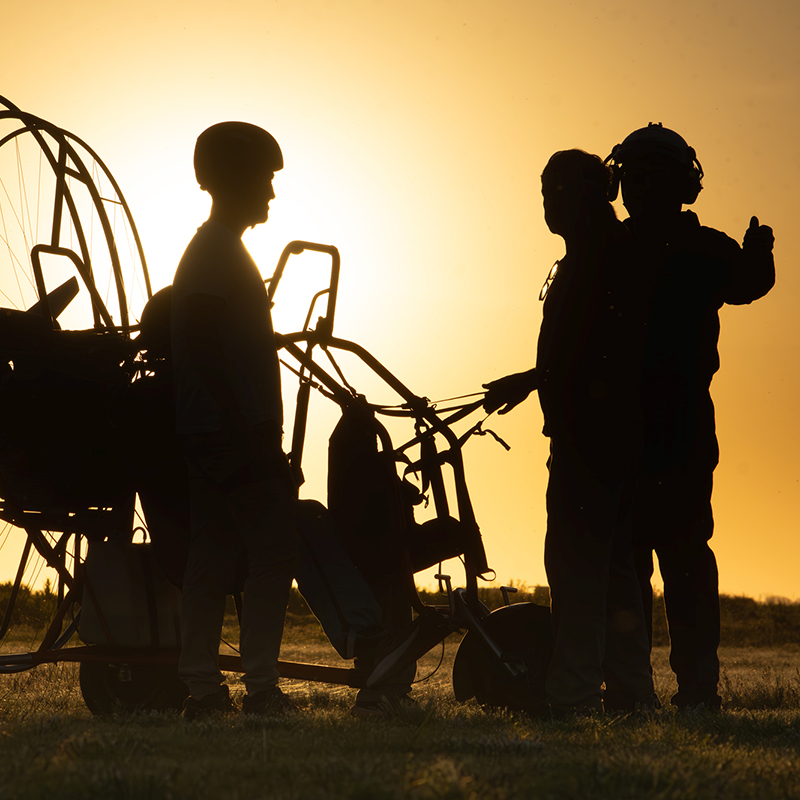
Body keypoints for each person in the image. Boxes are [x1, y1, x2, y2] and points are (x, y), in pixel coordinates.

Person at [605, 123, 775, 710]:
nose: (638, 187)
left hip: (639, 433)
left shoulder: (617, 250)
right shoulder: (703, 250)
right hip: (670, 431)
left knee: (639, 564)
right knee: (676, 563)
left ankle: (638, 692)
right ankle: (688, 691)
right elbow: (750, 283)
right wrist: (758, 253)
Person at [484, 150, 655, 716]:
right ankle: (632, 695)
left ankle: (573, 697)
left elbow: (597, 355)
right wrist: (533, 381)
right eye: (543, 194)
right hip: (611, 440)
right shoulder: (602, 253)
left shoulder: (599, 259)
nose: (546, 206)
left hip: (593, 441)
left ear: (580, 196)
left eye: (553, 194)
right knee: (613, 571)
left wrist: (538, 380)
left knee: (578, 568)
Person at [171, 121, 301, 719]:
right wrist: (243, 432)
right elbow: (198, 346)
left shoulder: (220, 251)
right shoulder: (215, 255)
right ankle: (260, 687)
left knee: (215, 551)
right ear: (232, 181)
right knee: (272, 550)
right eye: (264, 180)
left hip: (220, 433)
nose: (271, 194)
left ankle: (200, 686)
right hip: (231, 435)